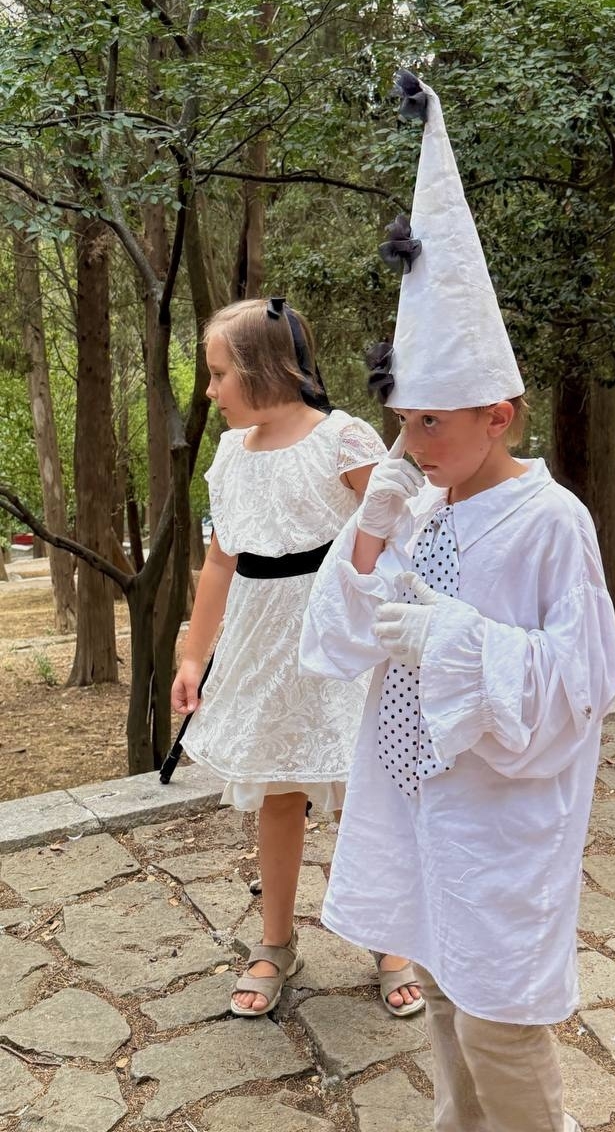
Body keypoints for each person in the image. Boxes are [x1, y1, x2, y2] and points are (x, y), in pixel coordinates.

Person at [300, 71, 615, 1131]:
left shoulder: (550, 522)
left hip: (497, 813)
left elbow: (583, 682)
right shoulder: (420, 505)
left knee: (499, 1016)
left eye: (434, 422)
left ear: (499, 414)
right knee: (441, 983)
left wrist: (452, 636)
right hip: (417, 804)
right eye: (406, 421)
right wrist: (374, 523)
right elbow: (341, 640)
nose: (414, 442)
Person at [171, 296, 424, 1019]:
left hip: (341, 643)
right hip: (262, 648)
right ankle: (276, 942)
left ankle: (389, 938)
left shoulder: (342, 439)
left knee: (364, 790)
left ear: (264, 369)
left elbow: (397, 532)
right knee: (278, 793)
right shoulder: (230, 454)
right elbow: (220, 562)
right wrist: (193, 656)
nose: (210, 391)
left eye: (219, 374)